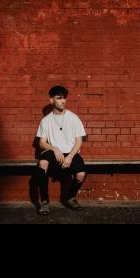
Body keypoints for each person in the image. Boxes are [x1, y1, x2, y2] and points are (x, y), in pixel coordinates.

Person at [35, 85, 87, 216]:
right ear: (51, 100)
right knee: (42, 164)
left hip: (71, 152)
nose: (63, 101)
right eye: (59, 98)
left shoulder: (73, 118)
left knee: (81, 174)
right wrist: (54, 148)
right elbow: (41, 143)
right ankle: (45, 202)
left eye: (64, 98)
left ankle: (71, 197)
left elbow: (79, 141)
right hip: (53, 152)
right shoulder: (45, 121)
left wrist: (69, 157)